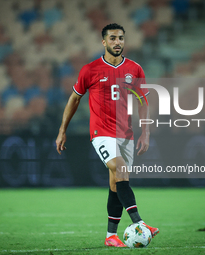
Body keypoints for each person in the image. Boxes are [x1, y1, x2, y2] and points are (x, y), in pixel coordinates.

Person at [56, 23, 159, 247]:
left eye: (121, 38)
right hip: (101, 132)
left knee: (116, 183)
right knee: (120, 168)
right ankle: (140, 223)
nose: (117, 42)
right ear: (104, 42)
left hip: (126, 135)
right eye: (112, 38)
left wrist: (146, 132)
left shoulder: (135, 69)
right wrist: (63, 129)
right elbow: (74, 99)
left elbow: (143, 102)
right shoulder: (90, 70)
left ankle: (110, 236)